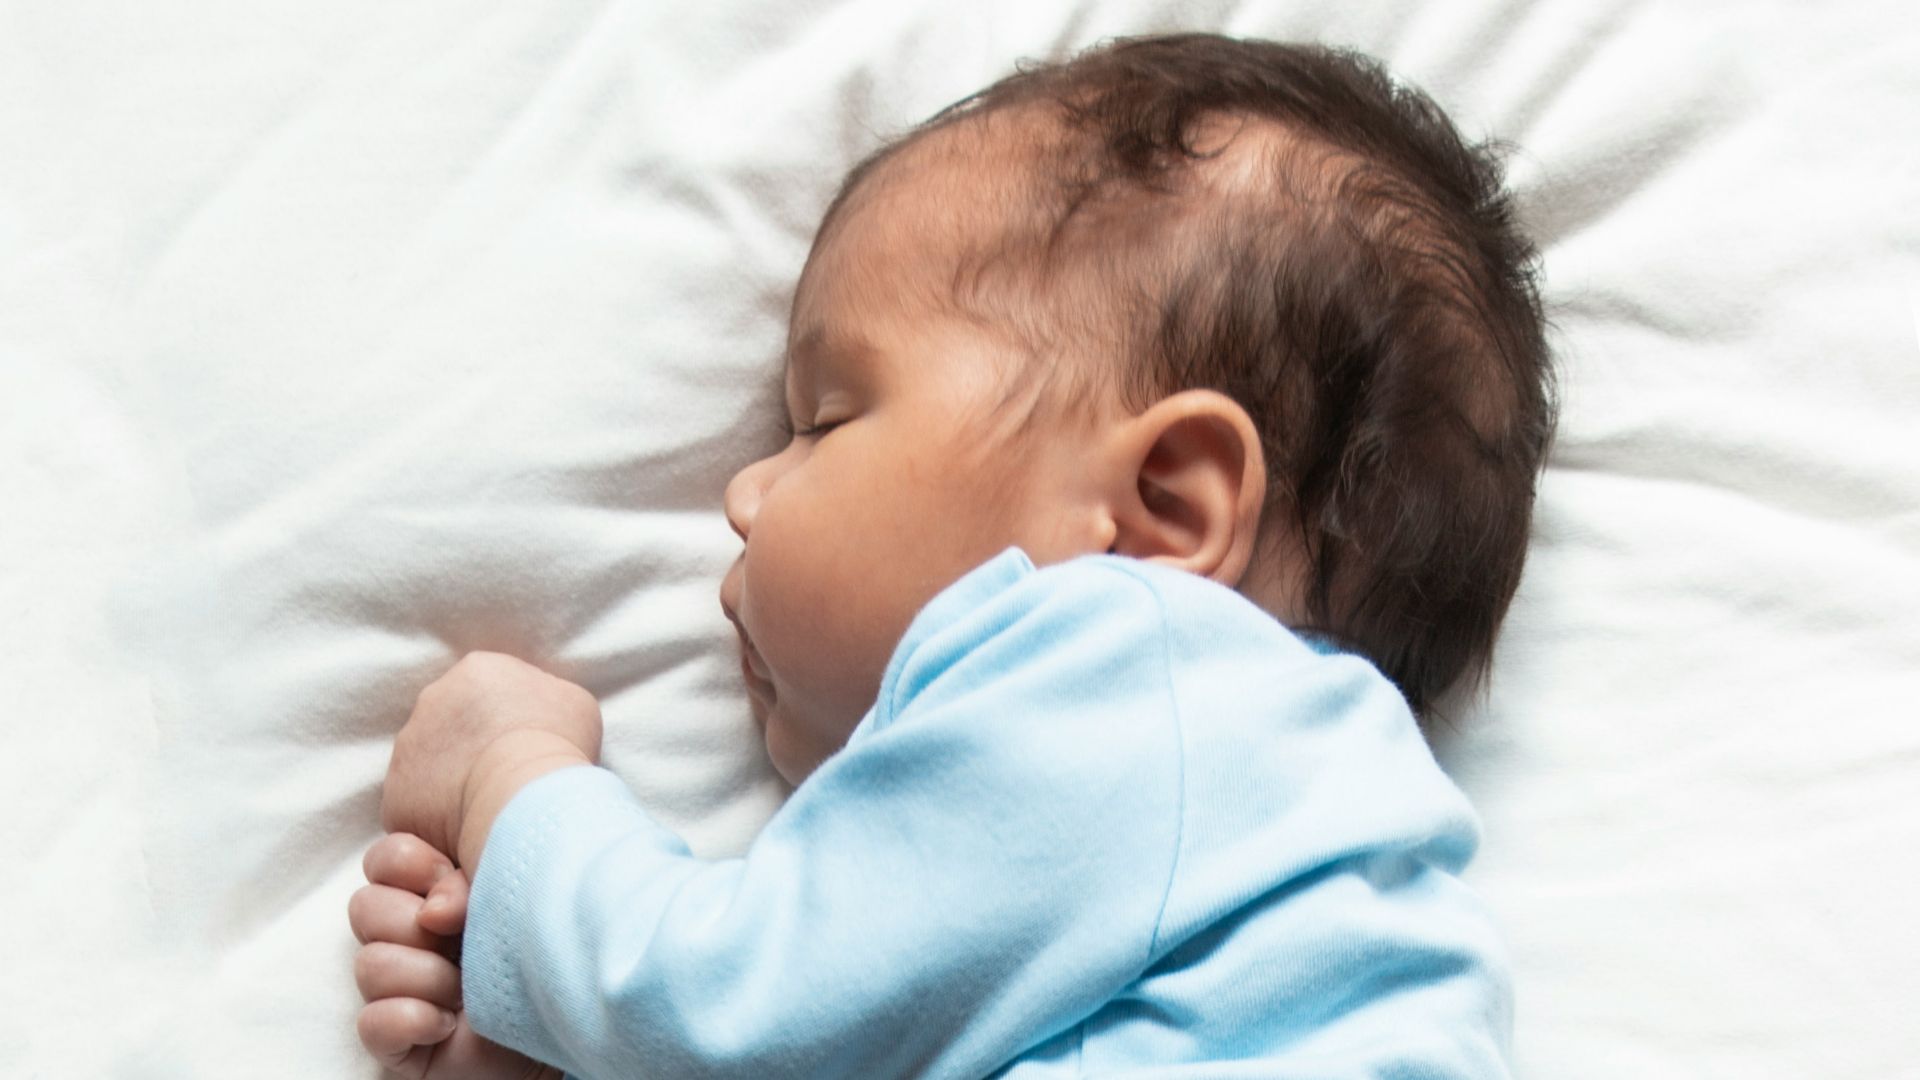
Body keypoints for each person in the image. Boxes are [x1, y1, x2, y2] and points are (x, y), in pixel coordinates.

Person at [347, 32, 1556, 1079]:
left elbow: (717, 1017)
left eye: (825, 421)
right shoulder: (1296, 864)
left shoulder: (1138, 671)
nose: (746, 493)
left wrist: (510, 783)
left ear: (1161, 510)